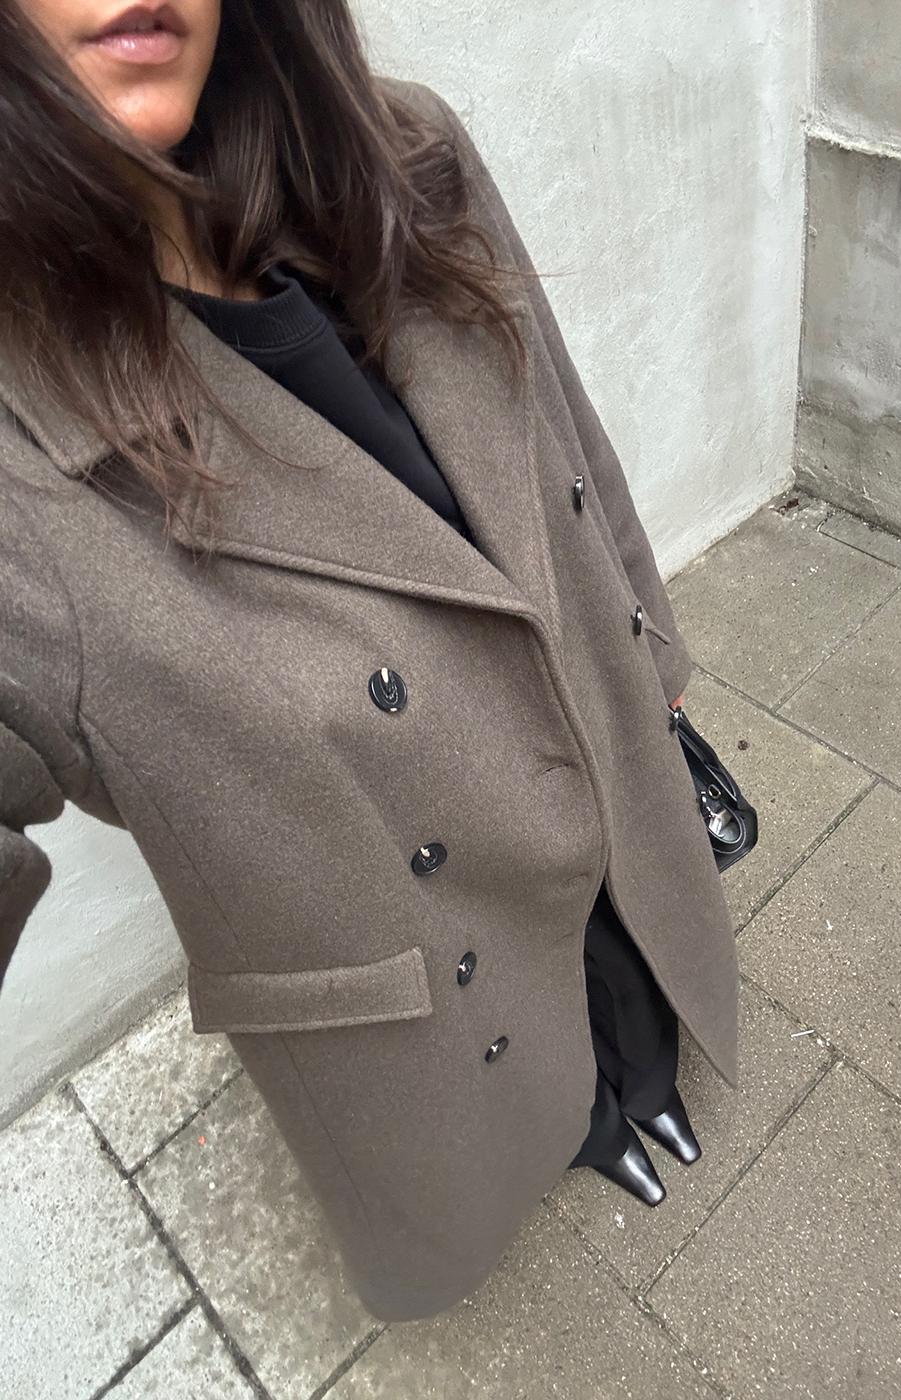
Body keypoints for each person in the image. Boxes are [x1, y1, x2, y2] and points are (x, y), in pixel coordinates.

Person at [0, 0, 739, 1321]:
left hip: (590, 732)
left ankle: (644, 1079)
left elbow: (564, 435)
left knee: (626, 942)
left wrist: (651, 642)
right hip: (418, 931)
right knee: (516, 1036)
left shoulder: (412, 155)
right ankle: (581, 1126)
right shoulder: (20, 454)